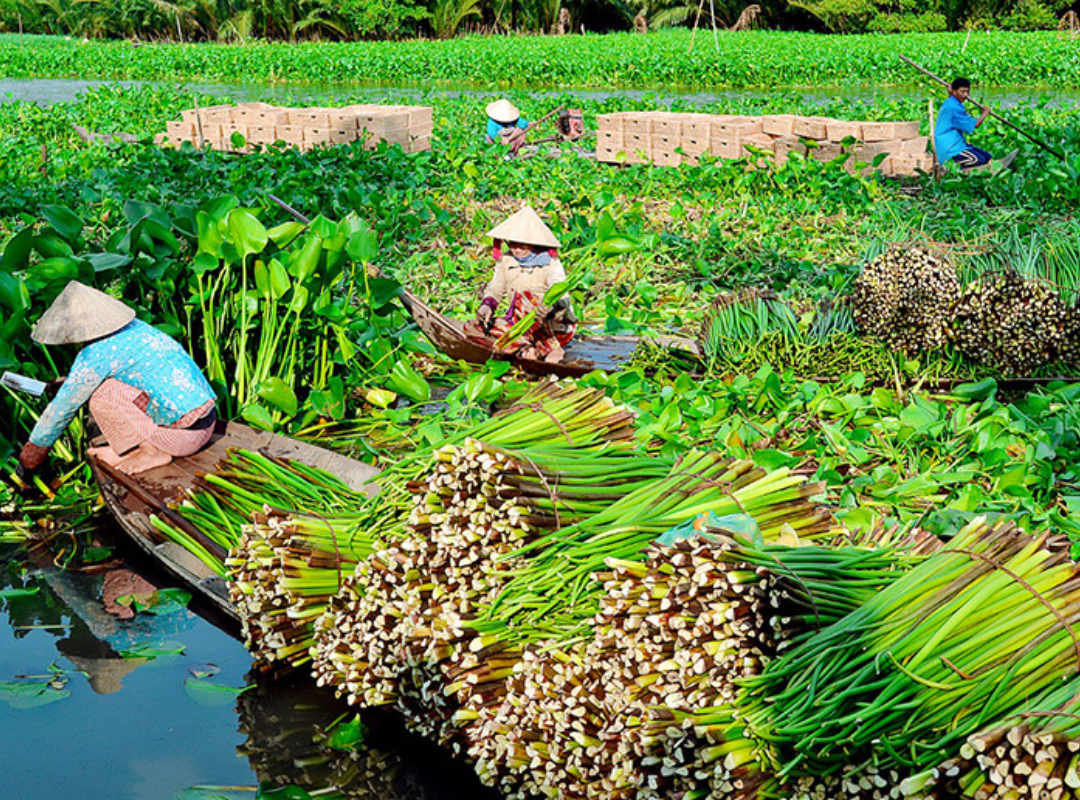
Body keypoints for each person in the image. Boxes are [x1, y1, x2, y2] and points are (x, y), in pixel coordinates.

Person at [17, 281, 217, 478]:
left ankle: (152, 452)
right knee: (108, 387)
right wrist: (67, 382)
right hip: (206, 423)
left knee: (103, 395)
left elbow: (61, 409)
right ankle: (134, 449)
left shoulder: (95, 354)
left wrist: (32, 454)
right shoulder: (136, 327)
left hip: (183, 439)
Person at [469, 206, 577, 364]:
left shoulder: (550, 263)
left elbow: (559, 289)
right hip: (522, 324)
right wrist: (487, 305)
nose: (517, 250)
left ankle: (551, 349)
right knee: (478, 327)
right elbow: (496, 288)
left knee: (527, 298)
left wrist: (550, 306)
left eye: (523, 245)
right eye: (513, 244)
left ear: (534, 243)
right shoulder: (506, 260)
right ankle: (528, 348)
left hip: (551, 326)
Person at [934, 77, 1017, 172]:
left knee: (987, 157)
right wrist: (985, 113)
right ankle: (951, 168)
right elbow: (975, 125)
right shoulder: (953, 107)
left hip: (957, 143)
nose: (965, 95)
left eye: (967, 92)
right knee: (978, 160)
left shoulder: (951, 101)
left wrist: (950, 94)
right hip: (949, 148)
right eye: (962, 92)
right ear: (954, 91)